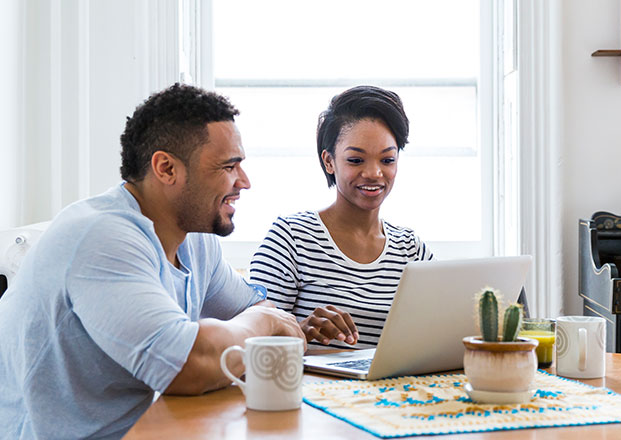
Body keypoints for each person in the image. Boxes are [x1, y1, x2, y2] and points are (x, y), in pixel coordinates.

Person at [0, 84, 306, 439]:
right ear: (166, 168)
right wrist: (267, 324)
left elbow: (252, 310)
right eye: (228, 166)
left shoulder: (193, 239)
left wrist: (289, 325)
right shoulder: (102, 237)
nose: (244, 182)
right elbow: (187, 367)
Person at [249, 85, 433, 350]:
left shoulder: (411, 250)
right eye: (356, 160)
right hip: (313, 390)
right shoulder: (291, 238)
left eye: (388, 160)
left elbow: (440, 330)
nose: (374, 173)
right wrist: (301, 332)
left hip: (394, 391)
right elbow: (252, 342)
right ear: (329, 162)